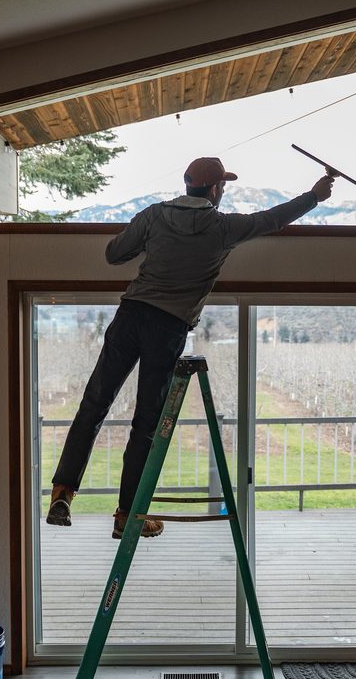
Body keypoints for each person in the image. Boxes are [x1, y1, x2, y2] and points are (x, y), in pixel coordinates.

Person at [46, 156, 335, 539]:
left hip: (131, 316)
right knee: (146, 423)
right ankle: (127, 515)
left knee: (94, 403)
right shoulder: (224, 227)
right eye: (223, 186)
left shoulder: (154, 215)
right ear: (215, 189)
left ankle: (63, 493)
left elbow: (115, 253)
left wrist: (151, 240)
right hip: (168, 328)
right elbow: (272, 218)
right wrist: (313, 196)